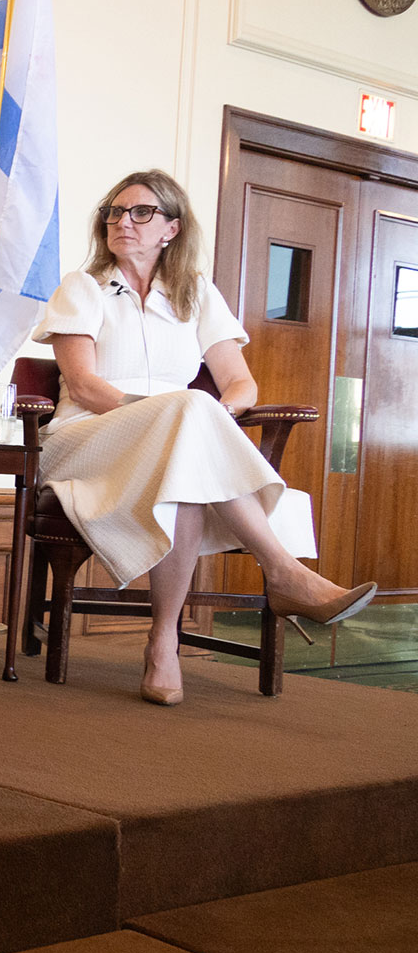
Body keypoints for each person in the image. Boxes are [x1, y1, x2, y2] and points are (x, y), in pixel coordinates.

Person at [29, 170, 375, 705]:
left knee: (189, 442)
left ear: (171, 228)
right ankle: (283, 571)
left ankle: (162, 642)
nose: (123, 221)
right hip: (89, 438)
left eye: (140, 212)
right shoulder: (83, 286)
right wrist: (167, 410)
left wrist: (214, 412)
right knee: (187, 414)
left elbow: (240, 382)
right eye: (115, 212)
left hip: (177, 443)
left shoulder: (196, 293)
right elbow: (84, 386)